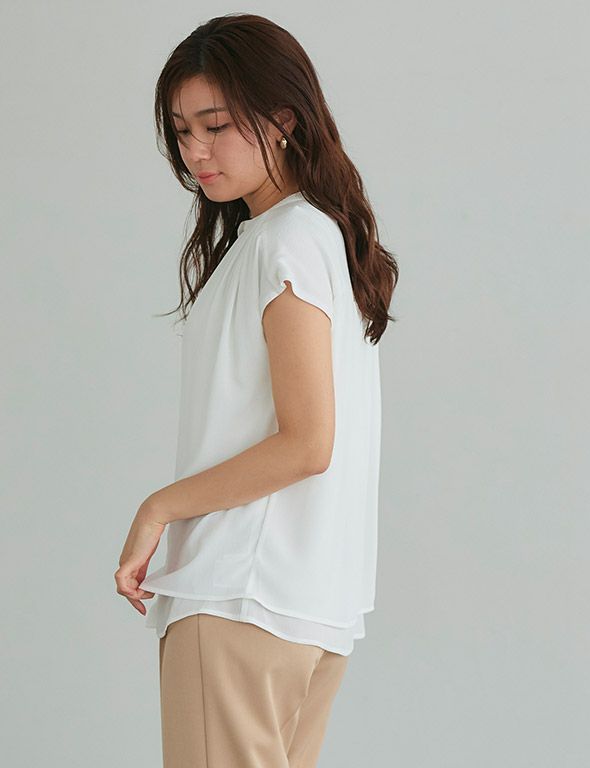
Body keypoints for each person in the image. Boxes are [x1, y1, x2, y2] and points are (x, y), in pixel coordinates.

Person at [114, 12, 399, 768]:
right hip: (304, 606)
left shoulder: (287, 241)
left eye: (215, 126)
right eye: (182, 132)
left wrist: (159, 507)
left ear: (283, 119)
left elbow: (307, 443)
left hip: (240, 596)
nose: (195, 152)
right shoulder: (316, 237)